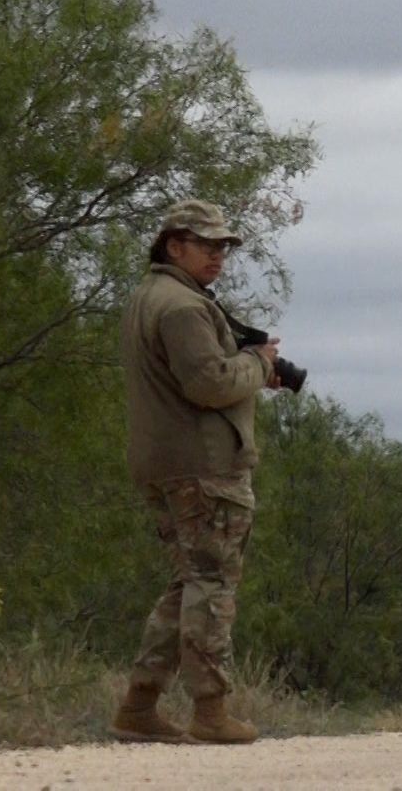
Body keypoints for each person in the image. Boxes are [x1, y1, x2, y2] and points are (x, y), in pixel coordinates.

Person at [111, 200, 279, 745]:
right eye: (206, 245)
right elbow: (207, 384)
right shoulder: (183, 307)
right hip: (204, 470)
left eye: (222, 246)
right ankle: (210, 712)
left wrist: (247, 366)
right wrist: (259, 365)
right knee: (212, 585)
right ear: (172, 246)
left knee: (187, 582)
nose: (218, 255)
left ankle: (139, 705)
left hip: (163, 465)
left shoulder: (148, 297)